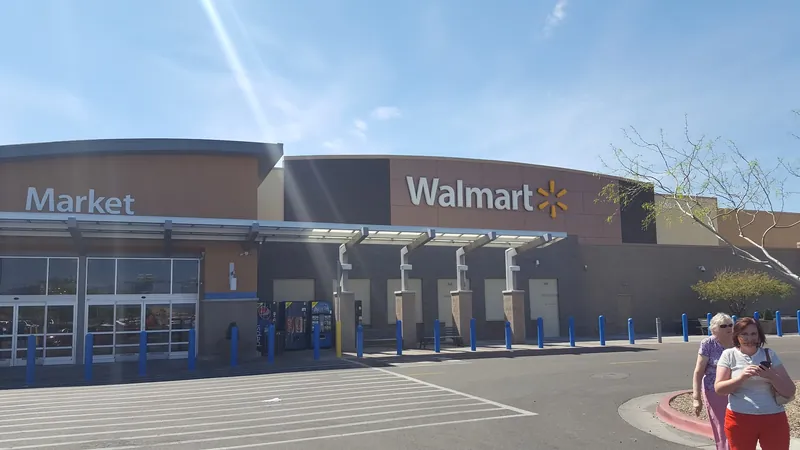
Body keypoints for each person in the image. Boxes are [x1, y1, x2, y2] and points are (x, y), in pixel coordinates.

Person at [715, 317, 796, 450]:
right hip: (739, 418)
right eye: (744, 334)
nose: (749, 338)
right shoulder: (729, 355)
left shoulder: (769, 354)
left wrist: (770, 376)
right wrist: (741, 377)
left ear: (759, 336)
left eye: (753, 334)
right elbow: (719, 389)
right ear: (737, 336)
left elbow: (790, 391)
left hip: (773, 417)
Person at [692, 312, 734, 450]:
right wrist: (696, 398)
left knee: (738, 424)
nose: (728, 328)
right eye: (723, 326)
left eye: (730, 325)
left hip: (737, 389)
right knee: (722, 426)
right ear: (714, 329)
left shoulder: (738, 341)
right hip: (715, 390)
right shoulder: (708, 344)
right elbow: (698, 372)